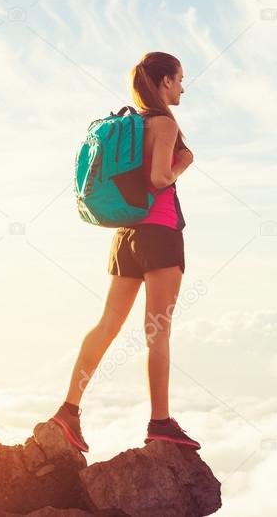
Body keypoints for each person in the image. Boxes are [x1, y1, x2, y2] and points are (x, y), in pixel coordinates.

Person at [49, 51, 200, 452]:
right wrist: (184, 161)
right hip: (161, 233)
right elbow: (159, 178)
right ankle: (160, 423)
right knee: (158, 332)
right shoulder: (164, 122)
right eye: (180, 78)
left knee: (107, 325)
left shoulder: (133, 124)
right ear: (165, 81)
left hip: (127, 236)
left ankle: (68, 410)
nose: (183, 87)